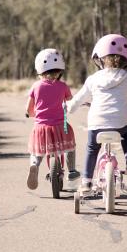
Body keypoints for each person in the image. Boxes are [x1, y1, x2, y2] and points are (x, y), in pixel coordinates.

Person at [67, 34, 127, 193]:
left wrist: (69, 107)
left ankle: (86, 182)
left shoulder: (93, 79)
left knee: (92, 149)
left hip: (96, 124)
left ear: (100, 58)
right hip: (120, 124)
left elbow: (76, 101)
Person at [26, 48, 80, 190]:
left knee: (37, 152)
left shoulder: (36, 86)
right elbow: (71, 102)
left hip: (41, 128)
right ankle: (72, 170)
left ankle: (34, 165)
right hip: (60, 127)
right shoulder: (63, 86)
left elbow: (29, 109)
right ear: (59, 70)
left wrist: (31, 114)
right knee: (70, 147)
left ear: (39, 69)